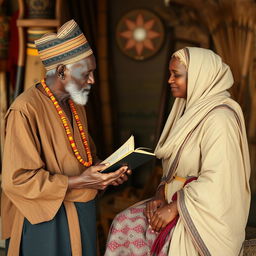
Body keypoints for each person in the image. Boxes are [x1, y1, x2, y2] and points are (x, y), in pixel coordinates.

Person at [1, 19, 131, 256]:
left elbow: (84, 160)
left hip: (80, 212)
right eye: (86, 73)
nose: (92, 80)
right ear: (61, 71)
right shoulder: (25, 110)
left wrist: (105, 174)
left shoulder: (74, 103)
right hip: (45, 222)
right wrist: (80, 182)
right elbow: (16, 181)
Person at [104, 47, 251, 256]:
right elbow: (174, 172)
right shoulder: (189, 111)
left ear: (200, 77)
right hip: (175, 200)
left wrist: (174, 209)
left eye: (177, 75)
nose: (170, 80)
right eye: (170, 73)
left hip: (203, 213)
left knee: (170, 244)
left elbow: (220, 181)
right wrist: (159, 195)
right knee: (123, 222)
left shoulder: (220, 119)